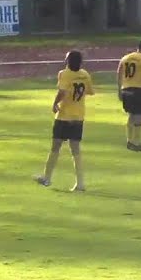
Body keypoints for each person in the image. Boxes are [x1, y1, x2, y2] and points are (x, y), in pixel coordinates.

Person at [34, 50, 94, 192]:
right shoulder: (85, 75)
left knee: (56, 146)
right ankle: (80, 183)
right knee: (75, 149)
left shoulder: (64, 74)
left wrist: (55, 103)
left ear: (68, 61)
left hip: (64, 115)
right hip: (78, 116)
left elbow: (62, 92)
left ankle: (47, 177)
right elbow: (90, 91)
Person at [117, 39, 141, 152]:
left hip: (125, 89)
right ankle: (135, 142)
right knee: (139, 116)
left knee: (131, 115)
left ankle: (129, 140)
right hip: (138, 89)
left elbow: (119, 73)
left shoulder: (125, 58)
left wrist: (119, 90)